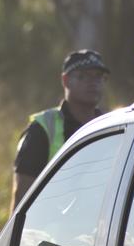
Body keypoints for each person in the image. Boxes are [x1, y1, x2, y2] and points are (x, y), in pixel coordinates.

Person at [10, 49, 110, 211]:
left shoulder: (111, 126)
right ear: (65, 80)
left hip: (104, 231)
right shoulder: (42, 129)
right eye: (83, 76)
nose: (93, 82)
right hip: (52, 234)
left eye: (98, 76)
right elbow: (21, 196)